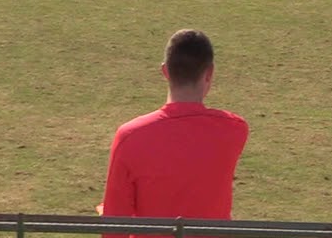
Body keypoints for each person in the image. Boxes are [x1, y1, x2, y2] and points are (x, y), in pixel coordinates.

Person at [99, 30, 249, 238]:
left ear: (165, 71)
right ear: (209, 73)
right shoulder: (235, 130)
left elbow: (114, 227)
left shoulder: (130, 136)